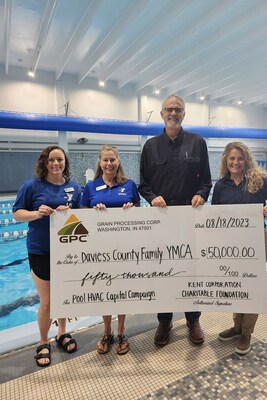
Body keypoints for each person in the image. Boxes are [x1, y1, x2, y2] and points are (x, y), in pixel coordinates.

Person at [139, 94, 212, 347]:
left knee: (191, 268)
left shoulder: (197, 142)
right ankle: (164, 320)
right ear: (161, 114)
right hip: (162, 219)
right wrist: (152, 197)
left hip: (190, 218)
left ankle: (193, 319)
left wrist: (201, 195)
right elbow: (143, 184)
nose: (173, 113)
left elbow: (206, 181)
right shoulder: (150, 146)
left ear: (183, 114)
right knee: (162, 270)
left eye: (178, 109)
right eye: (169, 109)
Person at [211, 141, 267, 355]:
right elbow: (216, 215)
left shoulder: (259, 179)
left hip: (255, 238)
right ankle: (236, 325)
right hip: (231, 242)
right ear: (226, 159)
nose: (235, 162)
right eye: (232, 158)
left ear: (246, 160)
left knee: (252, 285)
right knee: (235, 282)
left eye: (240, 158)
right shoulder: (221, 185)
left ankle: (246, 333)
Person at [13, 145, 82, 367]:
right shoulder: (31, 186)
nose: (56, 164)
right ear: (44, 162)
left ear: (65, 163)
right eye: (51, 160)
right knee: (47, 302)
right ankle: (43, 341)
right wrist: (36, 213)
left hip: (67, 250)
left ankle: (62, 332)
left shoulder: (74, 188)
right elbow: (17, 213)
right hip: (40, 250)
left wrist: (70, 214)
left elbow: (82, 217)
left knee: (64, 296)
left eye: (60, 160)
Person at [82, 145, 140, 355]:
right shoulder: (90, 187)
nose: (109, 164)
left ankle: (122, 331)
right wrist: (94, 213)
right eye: (105, 160)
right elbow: (83, 216)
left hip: (125, 247)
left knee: (122, 290)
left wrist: (131, 210)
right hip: (101, 248)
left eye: (112, 160)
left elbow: (139, 214)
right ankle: (106, 332)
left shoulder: (129, 185)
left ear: (118, 161)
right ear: (100, 163)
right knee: (104, 289)